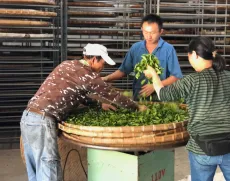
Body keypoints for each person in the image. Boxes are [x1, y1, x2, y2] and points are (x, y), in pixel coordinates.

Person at [20, 43, 147, 181]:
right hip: (43, 121)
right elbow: (113, 95)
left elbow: (74, 92)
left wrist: (99, 104)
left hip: (28, 118)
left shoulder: (66, 65)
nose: (103, 68)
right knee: (49, 167)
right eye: (103, 63)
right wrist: (136, 107)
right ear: (93, 59)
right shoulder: (88, 75)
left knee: (34, 169)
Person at [143, 36, 230, 181]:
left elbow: (163, 94)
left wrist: (153, 75)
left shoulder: (191, 81)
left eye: (189, 55)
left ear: (195, 54)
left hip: (201, 148)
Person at [102, 14, 183, 101]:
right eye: (145, 32)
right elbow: (123, 70)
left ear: (161, 31)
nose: (149, 36)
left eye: (153, 33)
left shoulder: (168, 49)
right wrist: (106, 78)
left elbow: (176, 76)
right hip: (139, 97)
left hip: (162, 98)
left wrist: (155, 85)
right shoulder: (136, 48)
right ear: (142, 30)